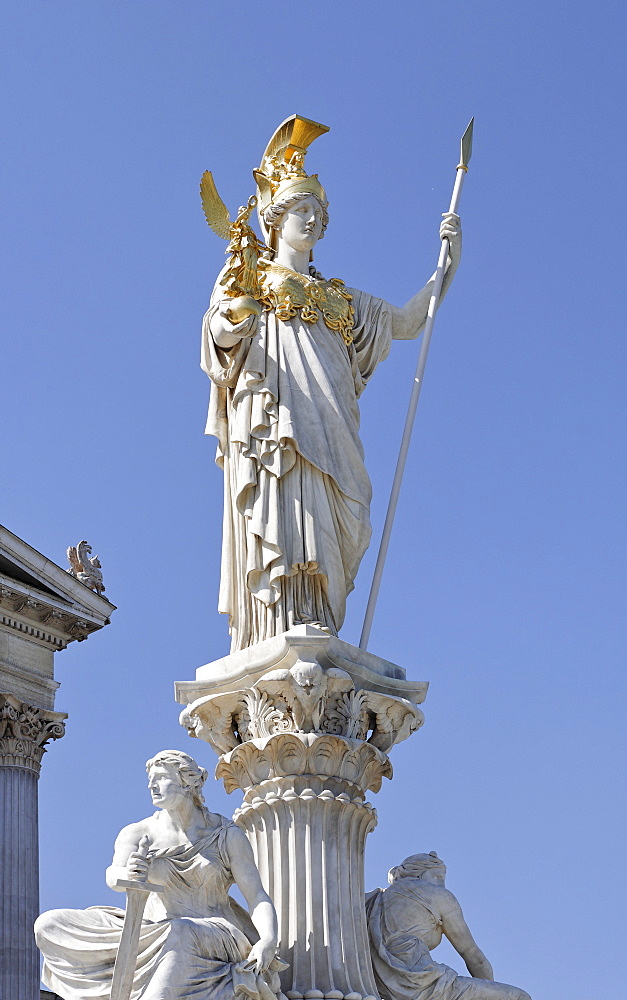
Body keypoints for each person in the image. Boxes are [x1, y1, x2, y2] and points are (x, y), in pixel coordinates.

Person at [201, 115, 462, 651]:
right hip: (279, 424)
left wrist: (446, 264)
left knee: (335, 515)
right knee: (285, 510)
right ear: (275, 219)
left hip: (332, 424)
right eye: (302, 208)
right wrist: (233, 323)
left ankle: (319, 613)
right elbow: (216, 336)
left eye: (319, 212)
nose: (313, 219)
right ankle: (281, 619)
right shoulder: (253, 280)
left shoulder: (343, 301)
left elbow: (410, 321)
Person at [35, 750, 286, 1000]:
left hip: (215, 933)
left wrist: (268, 940)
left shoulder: (226, 835)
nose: (153, 786)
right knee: (50, 924)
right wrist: (130, 872)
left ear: (187, 783)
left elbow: (257, 897)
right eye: (150, 781)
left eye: (162, 778)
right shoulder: (137, 833)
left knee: (178, 932)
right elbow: (113, 876)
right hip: (151, 927)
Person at [365, 852, 531, 1000]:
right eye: (438, 877)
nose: (442, 884)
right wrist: (488, 990)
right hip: (423, 984)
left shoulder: (371, 901)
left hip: (381, 988)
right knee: (518, 997)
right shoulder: (436, 894)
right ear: (421, 874)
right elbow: (472, 955)